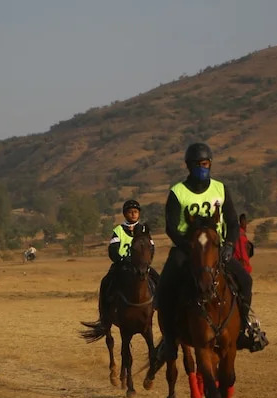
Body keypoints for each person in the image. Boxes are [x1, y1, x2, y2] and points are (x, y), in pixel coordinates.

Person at [154, 143, 267, 362]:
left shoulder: (220, 189)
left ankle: (243, 329)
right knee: (165, 285)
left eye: (205, 164)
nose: (201, 168)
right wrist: (188, 247)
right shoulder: (178, 192)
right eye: (197, 164)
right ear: (188, 166)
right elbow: (171, 227)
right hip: (186, 249)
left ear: (210, 164)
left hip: (216, 249)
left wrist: (229, 246)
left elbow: (232, 223)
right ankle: (169, 340)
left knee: (245, 280)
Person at [98, 200, 159, 322]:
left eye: (135, 212)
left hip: (141, 266)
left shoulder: (144, 230)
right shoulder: (119, 230)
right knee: (106, 282)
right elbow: (113, 249)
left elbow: (151, 248)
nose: (133, 214)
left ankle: (160, 305)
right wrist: (122, 259)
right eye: (130, 212)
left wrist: (146, 262)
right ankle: (105, 317)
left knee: (158, 279)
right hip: (122, 265)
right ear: (125, 214)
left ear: (139, 214)